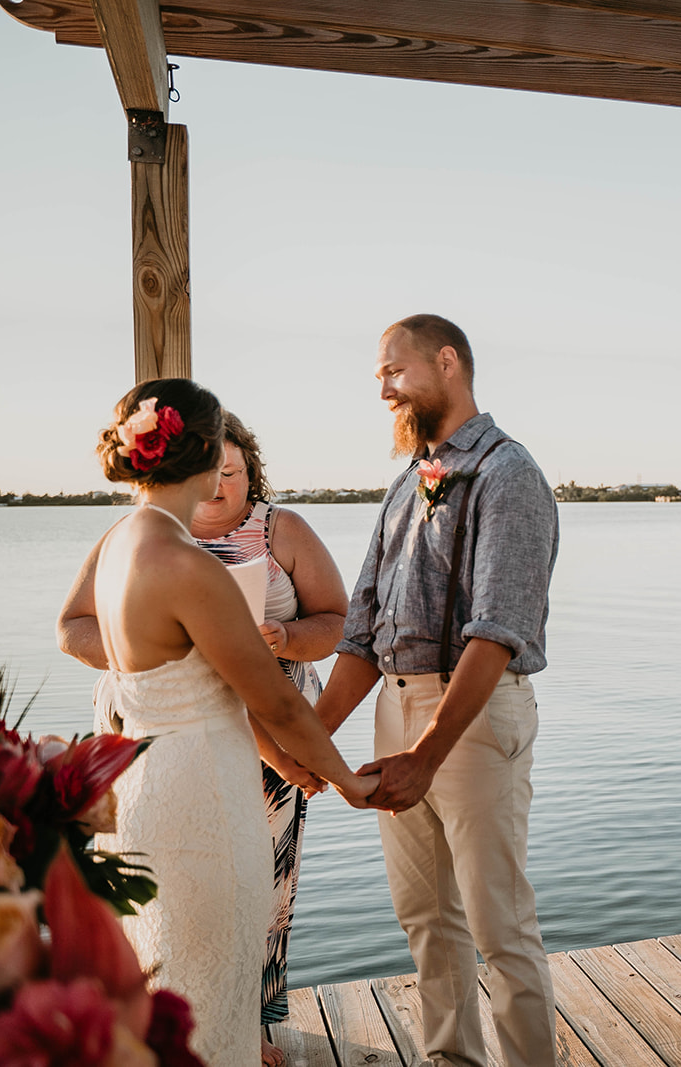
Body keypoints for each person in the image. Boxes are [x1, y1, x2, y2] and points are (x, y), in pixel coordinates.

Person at [58, 378, 378, 1064]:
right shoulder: (184, 563)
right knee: (214, 996)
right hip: (203, 798)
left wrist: (289, 763)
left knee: (172, 985)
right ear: (206, 457)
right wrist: (346, 777)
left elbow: (204, 686)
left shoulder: (121, 545)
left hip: (146, 786)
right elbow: (272, 697)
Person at [314, 314, 559, 1067]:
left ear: (448, 363)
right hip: (397, 708)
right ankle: (452, 1058)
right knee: (426, 917)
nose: (383, 388)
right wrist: (309, 742)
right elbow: (361, 632)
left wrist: (426, 752)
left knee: (499, 923)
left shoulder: (508, 474)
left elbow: (496, 633)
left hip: (474, 715)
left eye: (395, 370)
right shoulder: (401, 486)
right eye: (379, 377)